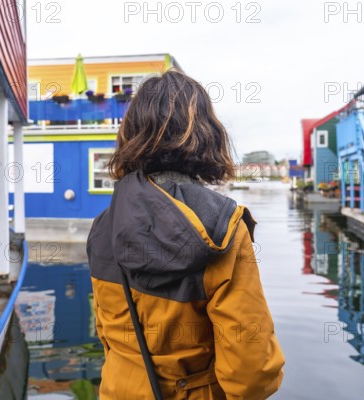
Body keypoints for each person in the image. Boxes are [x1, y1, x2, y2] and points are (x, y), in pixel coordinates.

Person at [87, 70, 285, 399]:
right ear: (206, 133)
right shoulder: (224, 225)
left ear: (132, 134)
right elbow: (250, 372)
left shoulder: (103, 226)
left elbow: (106, 332)